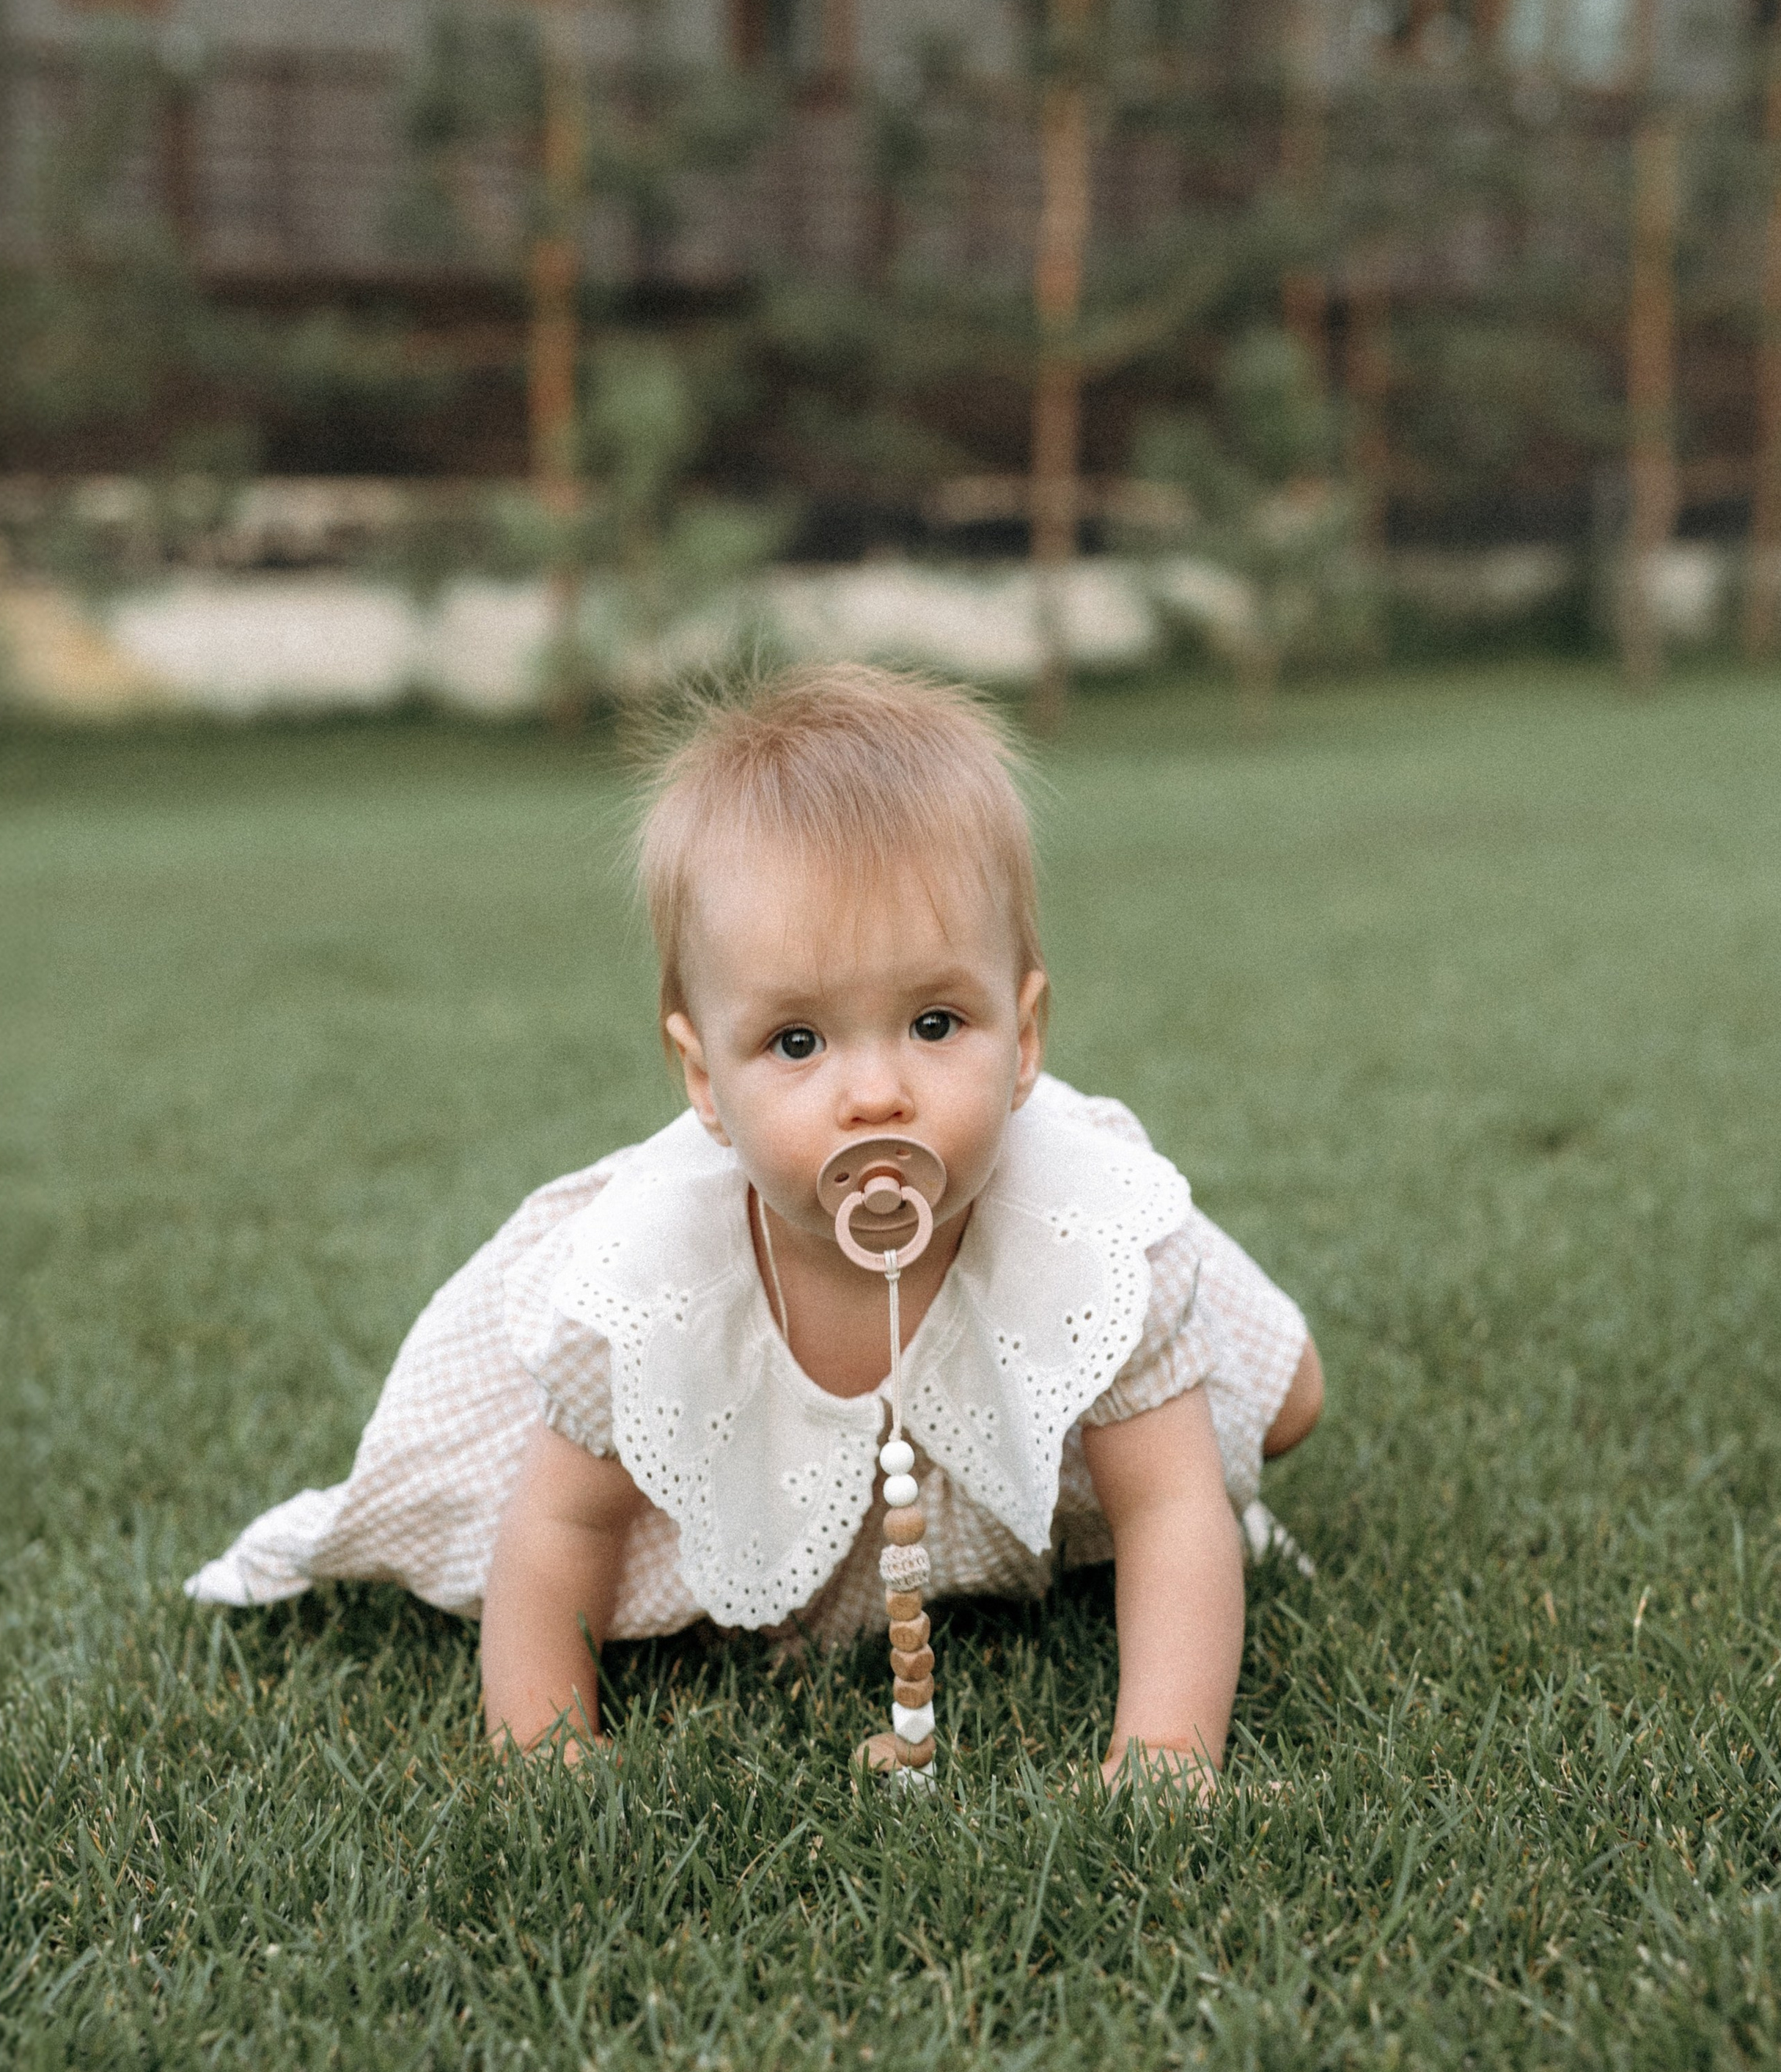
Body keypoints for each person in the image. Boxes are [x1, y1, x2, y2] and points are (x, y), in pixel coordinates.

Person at [188, 664, 1322, 1794]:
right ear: (705, 1079)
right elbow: (560, 1531)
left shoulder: (1078, 1228)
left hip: (1040, 1297)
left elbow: (1170, 1506)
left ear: (1022, 1039)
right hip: (746, 1388)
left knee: (1273, 1410)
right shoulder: (656, 1273)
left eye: (936, 1022)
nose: (875, 1094)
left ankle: (1247, 1362)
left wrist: (1166, 1758)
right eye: (796, 1043)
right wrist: (545, 1747)